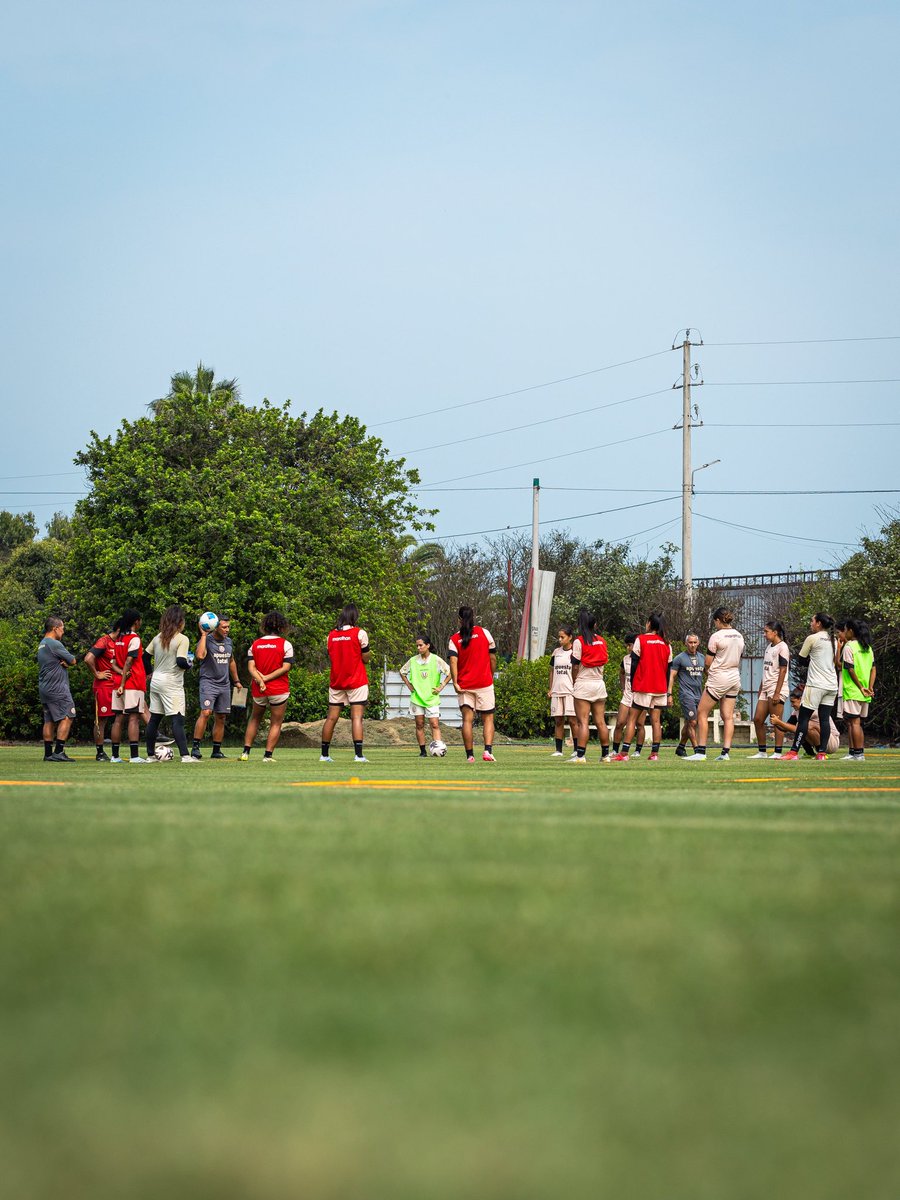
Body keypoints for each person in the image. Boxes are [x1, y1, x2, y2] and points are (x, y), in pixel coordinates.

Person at [685, 607, 745, 763]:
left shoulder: (716, 636)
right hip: (734, 677)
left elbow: (707, 662)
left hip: (719, 677)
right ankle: (725, 753)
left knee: (702, 712)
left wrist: (708, 673)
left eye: (715, 622)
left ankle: (701, 752)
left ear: (718, 620)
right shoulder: (739, 636)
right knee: (728, 716)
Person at [780, 613, 838, 762]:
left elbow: (801, 660)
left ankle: (793, 753)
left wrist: (812, 662)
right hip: (832, 685)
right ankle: (822, 754)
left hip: (816, 684)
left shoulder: (812, 638)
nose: (810, 624)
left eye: (812, 621)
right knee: (824, 719)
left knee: (804, 718)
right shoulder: (835, 640)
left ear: (818, 623)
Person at [614, 613, 672, 762]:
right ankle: (654, 754)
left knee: (632, 719)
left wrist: (633, 683)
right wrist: (665, 688)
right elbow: (668, 669)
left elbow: (634, 662)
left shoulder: (641, 639)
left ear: (649, 624)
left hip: (644, 685)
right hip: (660, 687)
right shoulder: (667, 643)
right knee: (656, 721)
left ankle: (624, 753)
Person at [321, 603, 370, 764]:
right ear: (354, 616)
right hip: (356, 680)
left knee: (331, 718)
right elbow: (366, 658)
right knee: (356, 717)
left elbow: (332, 656)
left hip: (336, 681)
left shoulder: (331, 635)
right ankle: (358, 756)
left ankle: (324, 755)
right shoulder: (360, 633)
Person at [242, 611, 293, 762]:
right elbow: (286, 667)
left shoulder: (255, 644)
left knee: (254, 719)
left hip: (259, 689)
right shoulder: (286, 644)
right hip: (278, 689)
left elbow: (251, 667)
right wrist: (267, 678)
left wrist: (261, 680)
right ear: (282, 627)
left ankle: (245, 753)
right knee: (276, 723)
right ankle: (267, 755)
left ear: (265, 625)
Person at [448, 605, 497, 763]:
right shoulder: (485, 633)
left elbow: (453, 662)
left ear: (459, 620)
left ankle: (470, 756)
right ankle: (487, 751)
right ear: (474, 617)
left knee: (467, 720)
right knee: (488, 719)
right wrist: (490, 674)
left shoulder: (454, 639)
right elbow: (493, 658)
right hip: (484, 683)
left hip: (464, 686)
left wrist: (455, 682)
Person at [146, 605, 194, 763]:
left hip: (156, 681)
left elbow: (145, 657)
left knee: (154, 719)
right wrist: (189, 665)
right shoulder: (182, 638)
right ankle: (186, 756)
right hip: (171, 683)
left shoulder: (158, 637)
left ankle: (151, 755)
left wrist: (149, 672)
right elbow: (181, 661)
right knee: (177, 719)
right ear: (180, 621)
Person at [191, 615, 241, 759]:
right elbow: (200, 656)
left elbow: (231, 661)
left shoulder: (229, 642)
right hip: (208, 683)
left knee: (221, 717)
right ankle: (195, 748)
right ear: (215, 627)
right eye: (224, 627)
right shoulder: (207, 640)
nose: (227, 630)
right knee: (206, 712)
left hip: (224, 684)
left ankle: (216, 750)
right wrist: (203, 635)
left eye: (228, 627)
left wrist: (236, 681)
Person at [400, 634, 451, 757]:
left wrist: (441, 686)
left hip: (431, 698)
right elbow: (402, 672)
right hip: (417, 698)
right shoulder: (413, 661)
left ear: (427, 645)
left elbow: (450, 673)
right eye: (417, 645)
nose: (418, 647)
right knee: (419, 724)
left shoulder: (436, 660)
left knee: (434, 724)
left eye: (421, 645)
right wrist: (409, 685)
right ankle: (423, 752)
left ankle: (438, 750)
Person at [570, 609, 610, 763]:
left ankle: (580, 756)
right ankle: (605, 755)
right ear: (595, 624)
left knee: (583, 722)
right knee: (601, 721)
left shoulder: (579, 641)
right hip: (599, 684)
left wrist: (574, 681)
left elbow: (575, 665)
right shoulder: (602, 641)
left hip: (583, 684)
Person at [110, 608, 148, 764]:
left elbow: (113, 664)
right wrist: (125, 681)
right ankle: (134, 756)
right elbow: (129, 661)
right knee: (133, 718)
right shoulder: (134, 638)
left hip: (118, 684)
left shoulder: (118, 639)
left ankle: (115, 756)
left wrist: (121, 679)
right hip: (133, 684)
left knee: (118, 719)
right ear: (136, 621)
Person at [37, 616, 77, 762]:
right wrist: (68, 662)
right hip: (57, 688)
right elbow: (73, 660)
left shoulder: (42, 643)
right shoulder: (54, 643)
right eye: (62, 628)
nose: (63, 632)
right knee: (69, 715)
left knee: (49, 720)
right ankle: (59, 751)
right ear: (55, 628)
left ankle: (48, 754)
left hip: (45, 688)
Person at [749, 620, 790, 759]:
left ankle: (778, 752)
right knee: (758, 719)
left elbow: (783, 670)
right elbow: (767, 668)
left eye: (766, 631)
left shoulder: (782, 647)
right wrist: (761, 687)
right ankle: (762, 752)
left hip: (776, 688)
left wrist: (777, 693)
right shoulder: (769, 647)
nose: (764, 634)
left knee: (776, 721)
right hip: (766, 688)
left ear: (775, 632)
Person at [838, 617, 875, 762]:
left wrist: (860, 687)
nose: (844, 632)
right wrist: (869, 687)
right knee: (857, 722)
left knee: (854, 723)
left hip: (853, 690)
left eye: (845, 630)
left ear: (851, 631)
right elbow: (873, 669)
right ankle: (854, 753)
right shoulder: (867, 647)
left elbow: (850, 669)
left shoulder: (849, 647)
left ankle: (858, 754)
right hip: (865, 691)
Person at [771, 686, 840, 756]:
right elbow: (785, 729)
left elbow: (798, 728)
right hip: (821, 741)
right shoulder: (796, 712)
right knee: (800, 728)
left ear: (801, 699)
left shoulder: (813, 709)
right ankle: (810, 753)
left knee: (803, 726)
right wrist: (775, 723)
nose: (792, 705)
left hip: (832, 742)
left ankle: (821, 753)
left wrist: (779, 722)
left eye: (793, 702)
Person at [84, 625, 119, 762]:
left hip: (117, 685)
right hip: (104, 686)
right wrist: (97, 674)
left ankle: (116, 753)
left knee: (121, 717)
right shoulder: (104, 641)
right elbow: (88, 658)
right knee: (102, 719)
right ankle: (100, 752)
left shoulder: (121, 643)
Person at [669, 632, 704, 757]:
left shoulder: (702, 658)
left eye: (695, 642)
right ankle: (697, 750)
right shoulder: (679, 658)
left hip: (699, 695)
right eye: (690, 642)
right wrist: (669, 694)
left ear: (698, 643)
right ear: (686, 643)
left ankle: (680, 747)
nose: (693, 645)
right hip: (686, 694)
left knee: (691, 723)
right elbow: (672, 676)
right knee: (693, 722)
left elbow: (709, 674)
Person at [612, 634, 645, 758]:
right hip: (627, 695)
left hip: (640, 694)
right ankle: (615, 750)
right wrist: (623, 687)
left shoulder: (643, 658)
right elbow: (621, 672)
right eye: (627, 645)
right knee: (620, 723)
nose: (628, 648)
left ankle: (637, 751)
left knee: (640, 724)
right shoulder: (625, 659)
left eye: (630, 645)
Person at [547, 624, 576, 757]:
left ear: (570, 637)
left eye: (562, 637)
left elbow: (577, 671)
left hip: (570, 691)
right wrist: (551, 688)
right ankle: (559, 750)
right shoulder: (556, 652)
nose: (560, 639)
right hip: (557, 691)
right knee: (558, 721)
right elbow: (552, 671)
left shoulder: (575, 653)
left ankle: (576, 750)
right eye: (559, 637)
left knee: (573, 721)